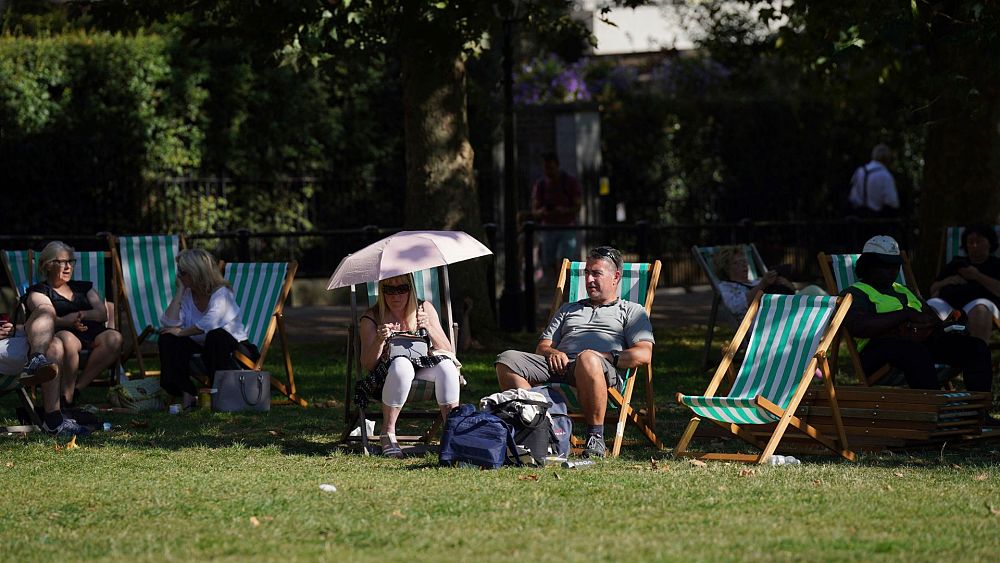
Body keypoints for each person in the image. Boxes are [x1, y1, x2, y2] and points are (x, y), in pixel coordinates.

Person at [495, 246, 654, 458]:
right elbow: (542, 347)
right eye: (586, 273)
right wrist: (552, 352)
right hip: (561, 367)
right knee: (507, 359)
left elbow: (644, 354)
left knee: (587, 357)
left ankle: (595, 437)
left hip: (600, 371)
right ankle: (535, 426)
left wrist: (604, 356)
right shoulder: (568, 309)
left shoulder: (631, 310)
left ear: (616, 277)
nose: (588, 280)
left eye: (596, 273)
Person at [841, 235, 993, 397]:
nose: (893, 270)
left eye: (896, 265)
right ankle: (933, 409)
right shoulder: (856, 292)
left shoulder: (903, 289)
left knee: (976, 347)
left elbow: (930, 318)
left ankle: (979, 412)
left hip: (919, 342)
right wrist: (905, 315)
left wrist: (948, 322)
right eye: (886, 265)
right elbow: (859, 326)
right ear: (868, 265)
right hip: (877, 351)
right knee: (915, 352)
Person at [358, 274, 461, 458]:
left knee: (447, 367)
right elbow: (367, 364)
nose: (395, 296)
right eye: (389, 290)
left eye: (402, 289)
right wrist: (380, 340)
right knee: (402, 365)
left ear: (411, 289)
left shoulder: (424, 309)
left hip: (423, 367)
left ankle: (452, 432)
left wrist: (429, 327)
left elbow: (448, 350)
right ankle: (387, 433)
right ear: (382, 292)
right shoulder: (371, 318)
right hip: (387, 376)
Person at [25, 241, 123, 410]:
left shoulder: (83, 287)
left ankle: (76, 389)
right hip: (61, 333)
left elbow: (102, 313)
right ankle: (66, 397)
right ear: (47, 266)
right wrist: (67, 321)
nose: (68, 267)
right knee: (68, 340)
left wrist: (82, 315)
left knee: (115, 337)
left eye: (70, 261)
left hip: (91, 331)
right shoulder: (39, 291)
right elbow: (44, 315)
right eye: (61, 262)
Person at [158, 248, 258, 410]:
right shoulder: (188, 294)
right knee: (167, 338)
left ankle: (219, 394)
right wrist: (180, 291)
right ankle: (186, 391)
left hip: (237, 351)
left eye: (183, 272)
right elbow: (169, 323)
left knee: (215, 335)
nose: (179, 276)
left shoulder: (222, 293)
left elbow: (211, 322)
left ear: (196, 272)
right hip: (206, 349)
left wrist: (181, 332)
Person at [1, 306, 90, 435]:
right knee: (53, 347)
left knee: (46, 309)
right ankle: (53, 422)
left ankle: (36, 357)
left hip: (8, 341)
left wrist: (11, 328)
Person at [927, 225, 1000, 344]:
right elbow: (933, 289)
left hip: (979, 305)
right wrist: (949, 280)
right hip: (949, 304)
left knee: (980, 308)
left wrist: (976, 276)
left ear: (990, 243)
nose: (974, 246)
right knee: (930, 305)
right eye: (970, 242)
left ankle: (977, 357)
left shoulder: (996, 265)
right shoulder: (957, 262)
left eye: (979, 241)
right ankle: (932, 357)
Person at [713, 246, 827, 319]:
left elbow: (792, 292)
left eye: (744, 261)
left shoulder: (755, 281)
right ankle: (839, 317)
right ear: (726, 268)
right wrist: (763, 285)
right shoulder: (725, 288)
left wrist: (787, 285)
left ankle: (839, 314)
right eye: (737, 263)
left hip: (784, 309)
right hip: (768, 320)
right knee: (813, 297)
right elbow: (736, 307)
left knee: (813, 290)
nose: (743, 265)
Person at [532, 152, 582, 276]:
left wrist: (564, 211)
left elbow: (577, 205)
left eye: (551, 168)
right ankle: (555, 286)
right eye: (546, 168)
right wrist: (543, 212)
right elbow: (535, 210)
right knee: (549, 261)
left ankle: (564, 287)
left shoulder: (569, 182)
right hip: (548, 228)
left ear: (557, 166)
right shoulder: (541, 185)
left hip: (566, 227)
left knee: (565, 260)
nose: (549, 171)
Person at [848, 143, 899, 217]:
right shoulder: (885, 176)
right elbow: (892, 202)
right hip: (875, 220)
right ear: (887, 158)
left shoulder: (860, 171)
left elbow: (852, 196)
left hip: (857, 218)